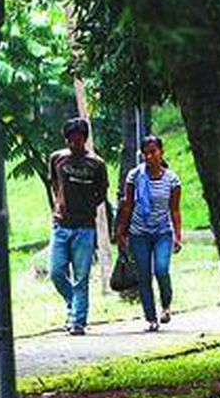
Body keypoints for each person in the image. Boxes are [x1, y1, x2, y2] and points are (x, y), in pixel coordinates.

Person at [48, 117, 109, 336]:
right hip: (61, 226)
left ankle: (78, 321)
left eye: (79, 140)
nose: (74, 145)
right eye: (70, 141)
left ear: (85, 139)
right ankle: (73, 304)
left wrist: (87, 206)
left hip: (85, 227)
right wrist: (60, 203)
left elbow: (101, 193)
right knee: (56, 271)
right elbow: (54, 182)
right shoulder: (57, 159)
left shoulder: (96, 164)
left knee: (81, 276)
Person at [116, 134, 182, 332]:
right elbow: (127, 205)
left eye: (153, 152)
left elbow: (175, 209)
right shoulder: (135, 176)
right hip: (139, 232)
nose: (149, 157)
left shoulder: (172, 179)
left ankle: (166, 305)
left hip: (163, 231)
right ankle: (151, 318)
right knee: (144, 276)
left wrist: (178, 236)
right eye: (145, 153)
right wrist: (121, 232)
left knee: (161, 269)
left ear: (161, 152)